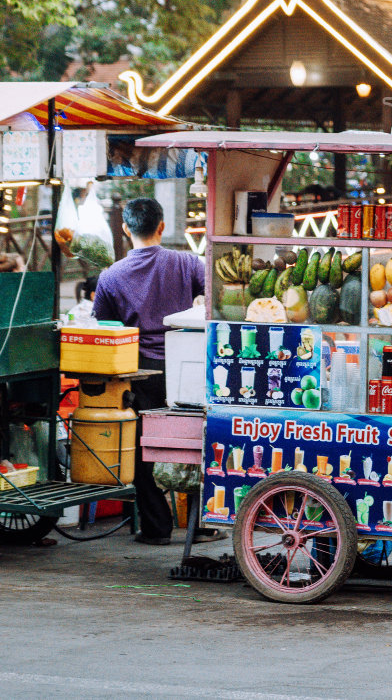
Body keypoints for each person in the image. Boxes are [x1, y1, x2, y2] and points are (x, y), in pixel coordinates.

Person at [92, 198, 216, 547]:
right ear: (162, 227)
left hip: (139, 372)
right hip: (185, 369)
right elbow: (215, 294)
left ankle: (157, 528)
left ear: (125, 229)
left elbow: (104, 327)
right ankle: (201, 525)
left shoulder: (110, 276)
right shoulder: (186, 262)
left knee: (143, 450)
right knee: (195, 443)